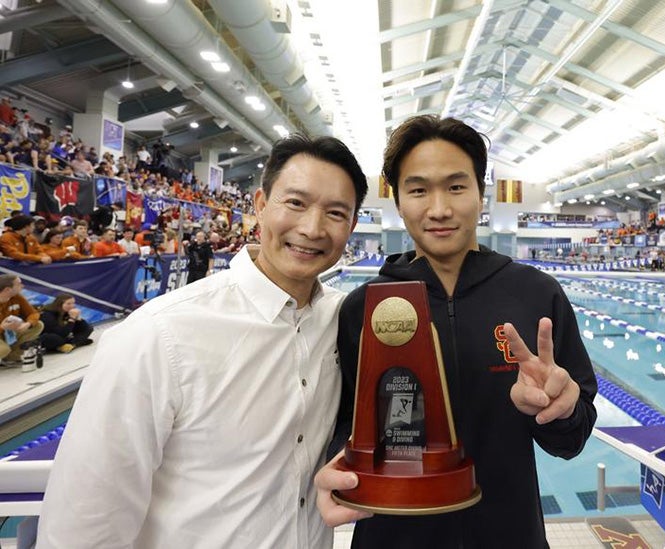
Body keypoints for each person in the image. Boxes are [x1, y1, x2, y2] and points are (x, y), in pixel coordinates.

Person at [37, 133, 368, 548]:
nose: (312, 228)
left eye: (335, 213)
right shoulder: (159, 335)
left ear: (351, 226)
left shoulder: (346, 320)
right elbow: (84, 521)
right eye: (296, 203)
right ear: (261, 206)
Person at [315, 115, 597, 548]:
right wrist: (340, 461)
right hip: (392, 535)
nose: (439, 208)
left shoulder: (537, 295)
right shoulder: (364, 309)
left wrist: (559, 410)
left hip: (510, 535)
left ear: (481, 195)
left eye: (456, 186)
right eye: (418, 189)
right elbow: (341, 426)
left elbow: (571, 439)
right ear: (398, 200)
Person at [0, 274, 44, 366]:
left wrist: (27, 324)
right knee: (3, 349)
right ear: (7, 289)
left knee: (38, 325)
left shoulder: (17, 297)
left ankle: (10, 358)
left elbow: (33, 313)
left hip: (8, 332)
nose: (22, 286)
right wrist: (2, 327)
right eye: (19, 284)